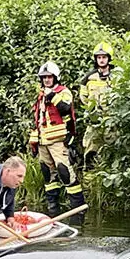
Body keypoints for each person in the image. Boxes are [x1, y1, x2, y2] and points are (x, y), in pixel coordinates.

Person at [28, 60, 86, 225]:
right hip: (43, 141)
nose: (46, 80)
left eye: (49, 77)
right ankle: (53, 210)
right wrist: (34, 142)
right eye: (44, 77)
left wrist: (52, 95)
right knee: (48, 174)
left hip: (58, 141)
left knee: (65, 172)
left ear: (55, 77)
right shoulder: (41, 95)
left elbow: (65, 109)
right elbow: (39, 119)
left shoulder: (63, 92)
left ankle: (78, 209)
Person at [78, 42, 115, 166]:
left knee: (111, 150)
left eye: (104, 57)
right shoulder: (89, 78)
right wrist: (92, 110)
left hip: (111, 120)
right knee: (91, 151)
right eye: (99, 57)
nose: (101, 60)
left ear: (109, 58)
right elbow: (83, 97)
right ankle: (90, 175)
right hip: (94, 121)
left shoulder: (116, 77)